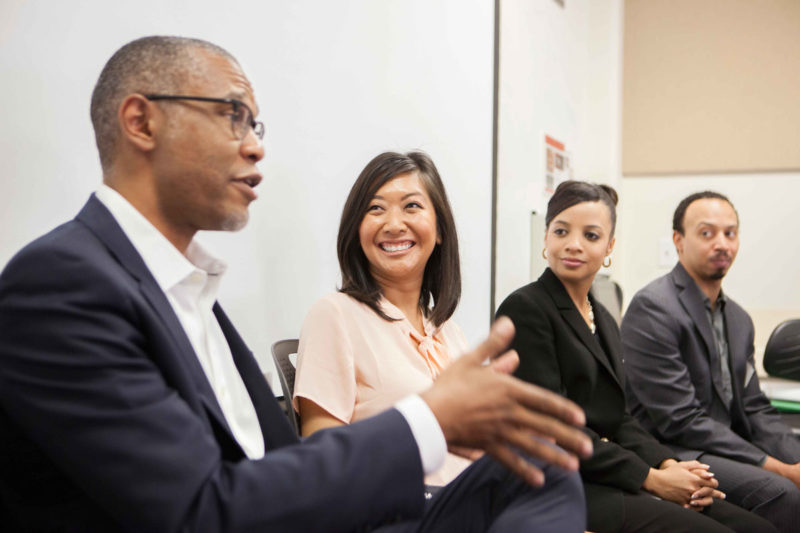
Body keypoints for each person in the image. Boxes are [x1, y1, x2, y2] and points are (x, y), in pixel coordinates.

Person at [0, 36, 593, 532]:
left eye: (256, 123)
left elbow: (288, 466)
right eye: (233, 115)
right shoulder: (61, 283)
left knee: (543, 465)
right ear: (141, 121)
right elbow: (198, 510)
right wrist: (430, 423)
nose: (255, 145)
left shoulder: (192, 292)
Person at [294, 151, 584, 530]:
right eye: (375, 209)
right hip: (391, 511)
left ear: (440, 229)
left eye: (411, 206)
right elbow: (321, 458)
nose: (393, 224)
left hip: (458, 503)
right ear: (356, 229)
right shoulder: (335, 314)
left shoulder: (448, 330)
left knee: (549, 463)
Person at [496, 181, 776, 533]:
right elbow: (552, 429)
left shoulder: (605, 319)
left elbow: (620, 419)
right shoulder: (526, 308)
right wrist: (651, 478)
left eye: (591, 235)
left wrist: (670, 464)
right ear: (545, 239)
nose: (573, 244)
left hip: (608, 472)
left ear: (609, 247)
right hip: (559, 482)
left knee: (758, 528)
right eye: (561, 231)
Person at [620, 191, 800, 533]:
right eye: (707, 233)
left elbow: (755, 407)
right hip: (673, 450)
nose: (722, 243)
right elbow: (680, 420)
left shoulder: (739, 319)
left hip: (723, 443)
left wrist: (794, 456)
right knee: (782, 493)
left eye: (730, 233)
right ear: (678, 240)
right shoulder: (653, 308)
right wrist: (779, 467)